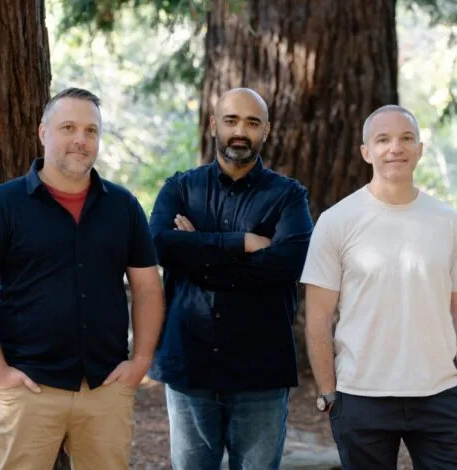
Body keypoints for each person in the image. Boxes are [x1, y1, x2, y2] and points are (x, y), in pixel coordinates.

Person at [0, 87, 164, 470]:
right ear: (43, 132)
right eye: (69, 127)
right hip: (28, 387)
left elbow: (147, 287)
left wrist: (141, 361)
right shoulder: (2, 205)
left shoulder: (123, 207)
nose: (81, 139)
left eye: (91, 131)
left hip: (106, 388)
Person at [301, 104, 457, 469]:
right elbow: (317, 317)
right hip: (360, 397)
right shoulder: (336, 221)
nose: (395, 148)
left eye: (406, 138)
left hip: (441, 395)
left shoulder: (447, 221)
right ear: (366, 151)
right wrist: (329, 394)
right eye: (382, 139)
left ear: (420, 149)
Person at [148, 87, 314, 470]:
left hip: (261, 370)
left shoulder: (289, 196)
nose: (241, 131)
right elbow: (158, 246)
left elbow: (290, 263)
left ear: (266, 130)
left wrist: (197, 252)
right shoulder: (180, 188)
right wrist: (241, 243)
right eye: (231, 120)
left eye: (252, 123)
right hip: (190, 366)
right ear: (213, 126)